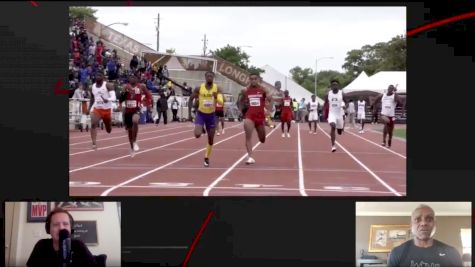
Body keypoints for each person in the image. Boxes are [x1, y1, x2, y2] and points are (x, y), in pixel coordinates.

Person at [387, 204, 463, 267]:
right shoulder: (397, 253)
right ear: (411, 225)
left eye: (429, 219)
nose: (423, 223)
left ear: (435, 224)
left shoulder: (452, 253)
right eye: (417, 219)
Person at [26, 208, 98, 267]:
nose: (61, 228)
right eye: (56, 224)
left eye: (65, 224)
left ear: (71, 228)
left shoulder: (79, 246)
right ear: (49, 229)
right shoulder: (41, 246)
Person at [188, 71, 224, 167]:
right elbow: (191, 99)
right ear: (205, 77)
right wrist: (189, 114)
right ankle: (200, 126)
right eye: (208, 76)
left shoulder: (217, 88)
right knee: (197, 134)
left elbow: (221, 103)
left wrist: (217, 97)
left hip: (211, 115)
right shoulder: (199, 88)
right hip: (201, 114)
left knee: (211, 139)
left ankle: (206, 157)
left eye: (211, 76)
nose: (209, 77)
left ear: (213, 77)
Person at [238, 73, 273, 164]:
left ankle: (265, 124)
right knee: (248, 137)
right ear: (249, 80)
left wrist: (269, 111)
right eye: (251, 79)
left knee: (262, 139)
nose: (253, 80)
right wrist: (241, 110)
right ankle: (250, 157)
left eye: (255, 79)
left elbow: (270, 99)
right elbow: (240, 101)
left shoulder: (263, 90)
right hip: (250, 116)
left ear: (258, 80)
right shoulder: (246, 90)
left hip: (260, 117)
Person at [118, 74, 153, 157]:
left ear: (137, 79)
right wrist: (120, 105)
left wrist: (144, 104)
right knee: (129, 131)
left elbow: (149, 96)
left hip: (136, 109)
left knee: (135, 121)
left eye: (134, 77)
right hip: (127, 111)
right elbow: (121, 98)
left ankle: (134, 141)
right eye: (131, 77)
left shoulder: (141, 86)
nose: (132, 78)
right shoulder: (125, 87)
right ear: (129, 79)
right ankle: (132, 147)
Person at [87, 72, 116, 150]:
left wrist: (108, 99)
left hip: (107, 110)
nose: (98, 76)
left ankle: (108, 126)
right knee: (93, 123)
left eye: (100, 75)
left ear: (103, 77)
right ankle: (94, 143)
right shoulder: (92, 87)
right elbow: (92, 98)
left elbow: (113, 97)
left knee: (109, 129)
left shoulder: (108, 85)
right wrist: (89, 108)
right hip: (97, 109)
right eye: (96, 75)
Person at [323, 79, 347, 152]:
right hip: (332, 113)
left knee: (339, 131)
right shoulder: (328, 94)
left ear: (338, 86)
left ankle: (340, 129)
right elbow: (325, 103)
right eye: (333, 85)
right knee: (333, 126)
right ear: (331, 86)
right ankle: (333, 145)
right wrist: (324, 112)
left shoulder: (342, 93)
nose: (334, 86)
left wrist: (345, 106)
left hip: (339, 113)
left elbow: (346, 102)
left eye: (336, 84)